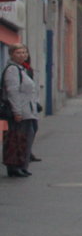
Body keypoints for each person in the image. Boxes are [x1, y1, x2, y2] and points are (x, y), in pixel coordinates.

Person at [3, 44, 40, 177]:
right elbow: (13, 92)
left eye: (24, 52)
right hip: (20, 112)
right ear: (12, 54)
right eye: (18, 53)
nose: (22, 55)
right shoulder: (13, 70)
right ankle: (14, 167)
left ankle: (22, 166)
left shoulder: (22, 68)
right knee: (17, 138)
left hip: (29, 110)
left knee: (27, 137)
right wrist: (17, 111)